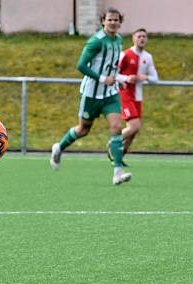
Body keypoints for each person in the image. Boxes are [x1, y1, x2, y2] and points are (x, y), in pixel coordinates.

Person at [49, 7, 132, 185]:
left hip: (110, 94)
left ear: (120, 22)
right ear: (103, 21)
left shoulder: (118, 40)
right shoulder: (96, 41)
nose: (113, 23)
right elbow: (81, 65)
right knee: (83, 130)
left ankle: (117, 172)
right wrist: (103, 78)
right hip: (91, 94)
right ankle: (59, 147)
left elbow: (111, 67)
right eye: (110, 20)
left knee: (117, 128)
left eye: (116, 20)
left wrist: (120, 78)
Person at [112, 28, 159, 166]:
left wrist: (145, 77)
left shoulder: (148, 57)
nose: (142, 39)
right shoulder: (125, 55)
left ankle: (118, 159)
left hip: (138, 96)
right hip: (125, 94)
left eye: (144, 36)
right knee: (134, 126)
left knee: (134, 132)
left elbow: (155, 79)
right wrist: (127, 78)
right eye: (139, 36)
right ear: (133, 38)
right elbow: (113, 74)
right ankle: (113, 142)